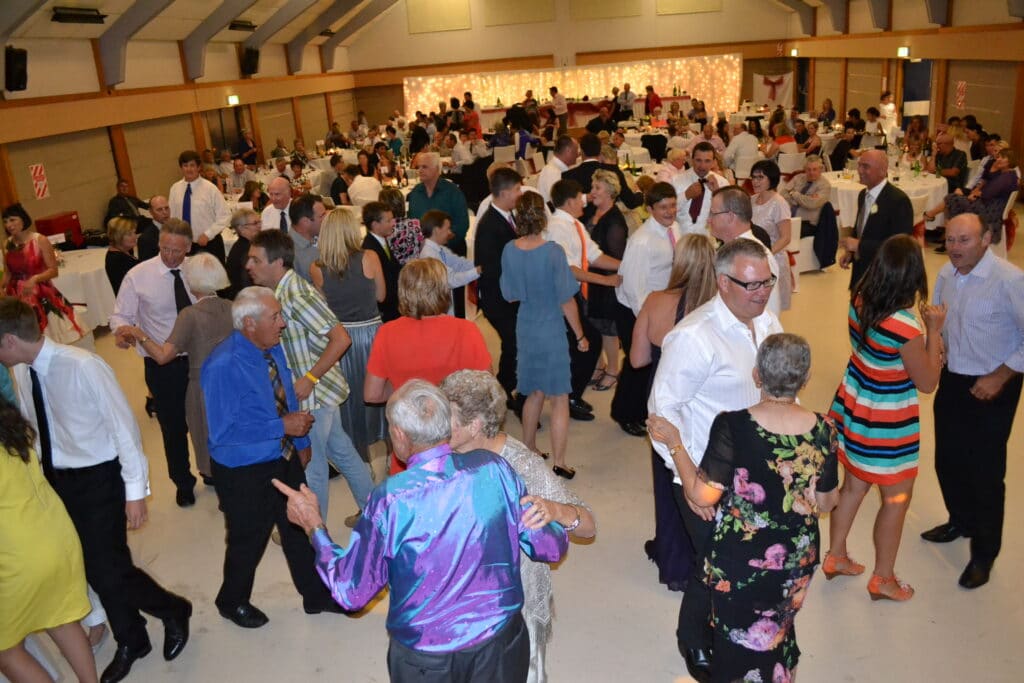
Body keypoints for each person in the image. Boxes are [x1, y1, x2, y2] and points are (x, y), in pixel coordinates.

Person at [272, 379, 568, 682]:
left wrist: (315, 527)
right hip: (500, 645)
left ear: (400, 435)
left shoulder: (391, 499)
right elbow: (550, 546)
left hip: (426, 659)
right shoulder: (494, 468)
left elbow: (352, 592)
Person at [0, 297, 193, 683]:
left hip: (99, 480)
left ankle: (171, 610)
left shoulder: (83, 366)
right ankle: (134, 638)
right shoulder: (23, 372)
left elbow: (124, 428)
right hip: (58, 482)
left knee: (108, 569)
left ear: (9, 341)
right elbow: (36, 429)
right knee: (92, 567)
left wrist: (135, 492)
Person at [648, 333, 839, 683]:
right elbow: (828, 501)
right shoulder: (825, 428)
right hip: (796, 558)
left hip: (741, 560)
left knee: (738, 647)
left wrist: (675, 443)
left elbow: (702, 496)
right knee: (780, 634)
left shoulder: (734, 425)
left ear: (756, 375)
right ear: (806, 378)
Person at [648, 238, 783, 681]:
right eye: (751, 285)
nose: (762, 292)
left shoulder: (767, 321)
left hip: (756, 472)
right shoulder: (693, 337)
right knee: (714, 562)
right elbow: (662, 414)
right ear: (723, 283)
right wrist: (689, 481)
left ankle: (733, 628)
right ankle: (693, 637)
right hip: (706, 476)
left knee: (743, 560)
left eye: (767, 282)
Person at [201, 286, 345, 628]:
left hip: (282, 453)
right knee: (248, 538)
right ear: (249, 324)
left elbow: (287, 397)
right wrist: (282, 426)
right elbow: (222, 433)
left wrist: (301, 439)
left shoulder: (272, 348)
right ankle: (231, 600)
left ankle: (315, 595)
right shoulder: (222, 365)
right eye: (275, 317)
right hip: (243, 468)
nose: (282, 323)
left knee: (299, 527)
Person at [441, 369, 596, 683]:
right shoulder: (443, 454)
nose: (438, 424)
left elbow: (588, 525)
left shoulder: (522, 466)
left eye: (448, 418)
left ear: (475, 425)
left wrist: (555, 510)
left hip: (510, 599)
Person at [826, 235, 946, 602]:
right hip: (886, 424)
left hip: (856, 407)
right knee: (896, 499)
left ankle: (835, 555)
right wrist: (934, 331)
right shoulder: (904, 327)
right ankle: (884, 578)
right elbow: (927, 382)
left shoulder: (860, 299)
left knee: (853, 486)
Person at [921, 213, 1024, 589]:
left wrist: (1000, 375)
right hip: (954, 377)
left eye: (963, 240)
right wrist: (938, 345)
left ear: (986, 239)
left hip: (995, 383)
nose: (954, 248)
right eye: (950, 240)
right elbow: (939, 322)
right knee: (947, 460)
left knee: (985, 472)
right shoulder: (947, 275)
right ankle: (960, 520)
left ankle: (984, 552)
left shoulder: (1010, 280)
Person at [246, 230, 374, 524]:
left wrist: (309, 379)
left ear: (278, 262)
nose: (248, 266)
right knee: (342, 452)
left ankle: (314, 532)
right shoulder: (282, 292)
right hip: (317, 393)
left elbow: (341, 339)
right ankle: (375, 513)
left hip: (315, 395)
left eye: (256, 260)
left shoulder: (296, 295)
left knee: (313, 466)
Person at [630, 234, 717, 593]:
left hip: (664, 398)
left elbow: (637, 359)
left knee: (669, 476)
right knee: (706, 475)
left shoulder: (656, 301)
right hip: (707, 400)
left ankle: (674, 561)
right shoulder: (718, 307)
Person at [0, 397, 97, 683]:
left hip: (19, 557)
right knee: (62, 620)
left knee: (6, 650)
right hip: (56, 535)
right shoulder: (9, 424)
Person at [122, 253, 233, 486]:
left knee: (202, 434)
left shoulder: (189, 315)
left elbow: (163, 356)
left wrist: (139, 334)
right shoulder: (231, 307)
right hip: (229, 382)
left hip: (201, 386)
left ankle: (211, 477)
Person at [364, 258, 492, 460]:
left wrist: (403, 388)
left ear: (403, 291)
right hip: (457, 438)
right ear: (443, 289)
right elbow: (487, 388)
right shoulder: (466, 330)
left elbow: (372, 394)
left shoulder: (387, 333)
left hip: (411, 438)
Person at [111, 219, 198, 506]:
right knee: (173, 428)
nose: (170, 256)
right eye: (165, 249)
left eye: (177, 251)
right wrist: (123, 332)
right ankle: (182, 482)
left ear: (188, 247)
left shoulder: (198, 269)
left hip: (199, 359)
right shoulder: (138, 276)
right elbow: (120, 316)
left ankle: (211, 472)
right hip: (163, 365)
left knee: (205, 421)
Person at [501, 192, 588, 479]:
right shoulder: (553, 251)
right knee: (560, 396)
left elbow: (509, 295)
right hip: (550, 326)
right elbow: (567, 299)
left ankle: (529, 447)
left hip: (525, 325)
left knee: (533, 391)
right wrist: (580, 335)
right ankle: (560, 461)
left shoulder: (509, 250)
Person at [311, 208, 387, 466]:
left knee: (349, 400)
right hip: (372, 334)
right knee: (383, 392)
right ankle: (391, 454)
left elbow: (325, 309)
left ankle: (362, 461)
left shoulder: (316, 268)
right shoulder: (370, 257)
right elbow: (381, 296)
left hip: (340, 340)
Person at [475, 167, 525, 411]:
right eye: (517, 189)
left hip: (509, 296)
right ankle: (504, 390)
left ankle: (508, 386)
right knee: (513, 342)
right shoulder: (489, 224)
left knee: (514, 343)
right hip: (499, 298)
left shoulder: (508, 215)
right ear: (504, 193)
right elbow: (491, 268)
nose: (520, 193)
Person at [2, 203, 83, 344]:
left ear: (23, 219)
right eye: (5, 221)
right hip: (15, 295)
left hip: (40, 292)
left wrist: (35, 279)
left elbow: (53, 270)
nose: (9, 225)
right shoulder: (6, 244)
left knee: (47, 335)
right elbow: (8, 273)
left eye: (12, 220)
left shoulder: (40, 240)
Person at [840, 149, 914, 289]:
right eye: (859, 165)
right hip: (861, 274)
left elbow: (900, 249)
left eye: (866, 166)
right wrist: (851, 253)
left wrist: (859, 246)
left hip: (884, 278)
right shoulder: (863, 195)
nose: (859, 170)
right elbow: (861, 229)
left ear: (882, 171)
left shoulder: (898, 201)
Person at [584, 170, 629, 392]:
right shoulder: (592, 212)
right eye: (592, 187)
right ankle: (599, 365)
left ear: (610, 192)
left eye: (597, 188)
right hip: (592, 278)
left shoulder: (614, 221)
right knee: (593, 324)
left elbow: (618, 259)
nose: (592, 192)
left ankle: (612, 370)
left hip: (608, 281)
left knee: (608, 329)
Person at [168, 150, 231, 262]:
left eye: (192, 165)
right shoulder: (175, 189)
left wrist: (208, 234)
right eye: (185, 165)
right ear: (181, 168)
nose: (189, 169)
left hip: (209, 243)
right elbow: (172, 217)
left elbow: (225, 215)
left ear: (199, 167)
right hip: (185, 245)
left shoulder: (210, 189)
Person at [750, 160, 793, 311]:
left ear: (772, 179)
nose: (755, 181)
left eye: (760, 177)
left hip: (773, 259)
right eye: (753, 177)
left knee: (771, 308)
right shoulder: (751, 200)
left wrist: (765, 254)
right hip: (753, 259)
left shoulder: (779, 203)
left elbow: (786, 237)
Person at [419, 209, 480, 315]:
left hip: (445, 307)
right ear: (436, 230)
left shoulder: (440, 249)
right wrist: (477, 271)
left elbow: (459, 264)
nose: (450, 233)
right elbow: (449, 280)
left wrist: (480, 264)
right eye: (447, 229)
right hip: (437, 311)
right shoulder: (429, 255)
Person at [671, 142, 727, 236]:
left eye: (707, 161)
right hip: (680, 237)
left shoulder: (722, 184)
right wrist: (685, 196)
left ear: (714, 162)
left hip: (709, 239)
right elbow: (665, 211)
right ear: (691, 160)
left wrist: (716, 193)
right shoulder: (676, 180)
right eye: (698, 160)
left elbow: (727, 217)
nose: (702, 166)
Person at [360, 201, 403, 322]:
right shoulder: (369, 249)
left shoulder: (381, 240)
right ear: (375, 225)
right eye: (388, 221)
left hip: (393, 304)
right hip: (385, 310)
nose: (393, 223)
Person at [379, 186, 424, 266]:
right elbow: (423, 247)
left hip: (394, 271)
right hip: (416, 268)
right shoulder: (416, 224)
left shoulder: (384, 230)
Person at [223, 208, 261, 300]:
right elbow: (247, 283)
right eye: (255, 223)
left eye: (259, 222)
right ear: (242, 229)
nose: (259, 226)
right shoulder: (246, 251)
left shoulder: (244, 245)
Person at [104, 217, 140, 296]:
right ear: (118, 236)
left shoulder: (125, 250)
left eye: (134, 232)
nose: (135, 236)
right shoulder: (117, 260)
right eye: (130, 234)